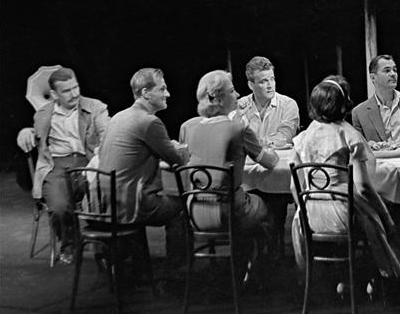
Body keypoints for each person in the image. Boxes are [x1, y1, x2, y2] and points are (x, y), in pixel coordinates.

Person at [291, 75, 400, 280]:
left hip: (309, 216)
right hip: (343, 215)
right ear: (344, 103)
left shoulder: (304, 136)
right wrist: (387, 218)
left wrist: (308, 207)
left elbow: (294, 186)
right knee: (384, 215)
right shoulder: (348, 134)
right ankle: (374, 280)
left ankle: (337, 277)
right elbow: (364, 188)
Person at [179, 70, 279, 287]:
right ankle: (261, 273)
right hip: (228, 212)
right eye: (232, 91)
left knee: (245, 201)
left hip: (195, 211)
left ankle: (235, 265)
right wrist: (272, 150)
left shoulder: (189, 127)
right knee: (271, 206)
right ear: (218, 98)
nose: (237, 95)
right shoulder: (238, 128)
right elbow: (270, 162)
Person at [16, 67, 109, 264]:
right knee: (58, 207)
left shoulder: (95, 107)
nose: (74, 94)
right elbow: (36, 133)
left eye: (76, 87)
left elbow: (106, 134)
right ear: (54, 94)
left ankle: (103, 246)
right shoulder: (43, 114)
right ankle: (69, 244)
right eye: (67, 91)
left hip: (88, 161)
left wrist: (100, 155)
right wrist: (26, 131)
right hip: (56, 166)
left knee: (100, 200)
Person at [100, 68, 190, 267]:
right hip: (132, 204)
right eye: (162, 89)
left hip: (108, 203)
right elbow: (178, 160)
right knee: (182, 208)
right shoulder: (149, 122)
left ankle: (138, 265)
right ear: (146, 93)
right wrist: (180, 148)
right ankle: (176, 272)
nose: (168, 94)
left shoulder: (118, 117)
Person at [351, 54, 400, 257]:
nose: (393, 74)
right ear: (373, 77)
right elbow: (360, 147)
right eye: (387, 70)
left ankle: (398, 248)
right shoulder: (360, 112)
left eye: (394, 69)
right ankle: (389, 249)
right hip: (379, 173)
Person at [232, 56, 300, 260]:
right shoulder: (240, 106)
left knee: (273, 204)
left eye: (272, 79)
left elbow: (284, 137)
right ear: (251, 84)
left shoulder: (288, 104)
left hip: (275, 173)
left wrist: (250, 141)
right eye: (263, 81)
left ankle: (272, 255)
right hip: (248, 177)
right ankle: (254, 256)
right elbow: (232, 135)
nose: (270, 85)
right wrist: (241, 126)